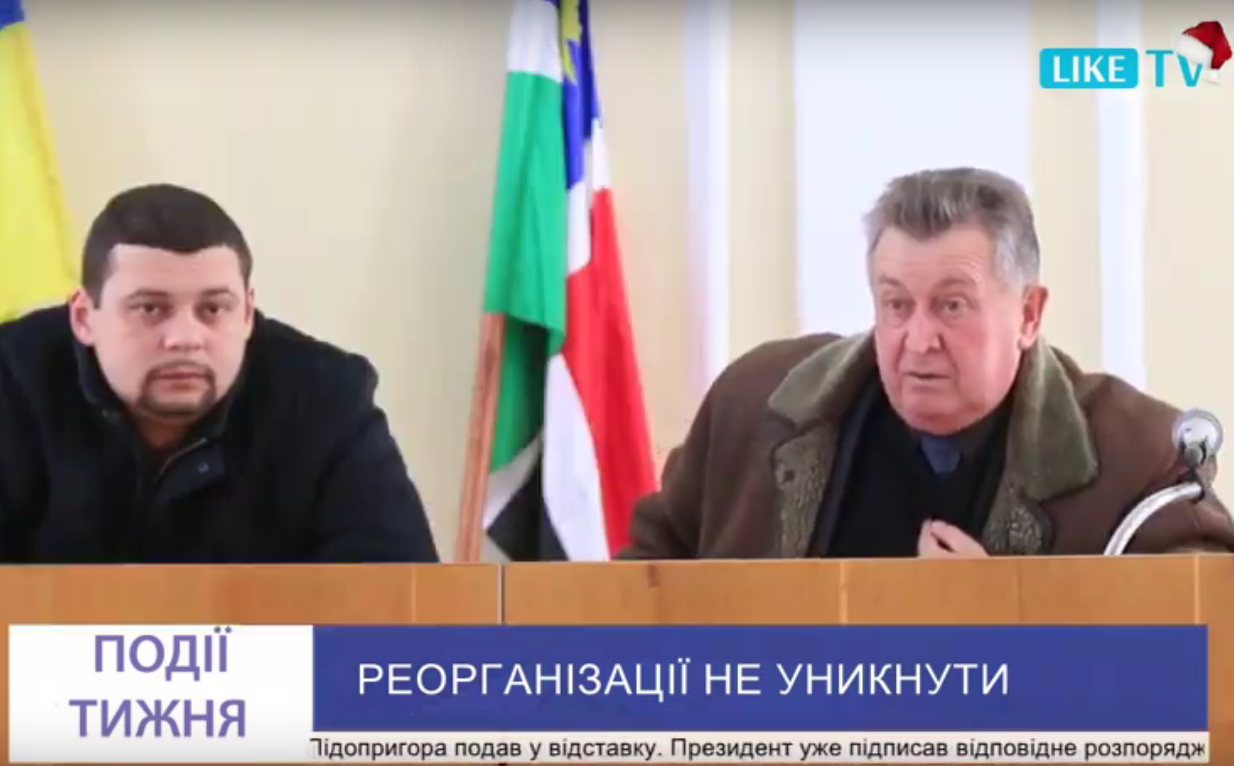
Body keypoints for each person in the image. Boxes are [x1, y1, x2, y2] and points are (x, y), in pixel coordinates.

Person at [622, 167, 1234, 559]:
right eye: (896, 305)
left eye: (952, 306)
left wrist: (1014, 622)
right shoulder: (754, 406)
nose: (918, 341)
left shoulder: (1141, 460)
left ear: (1028, 314)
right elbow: (640, 593)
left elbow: (1204, 656)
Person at [0, 183, 439, 563]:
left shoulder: (326, 399)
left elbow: (397, 602)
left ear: (247, 314)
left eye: (213, 309)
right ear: (83, 317)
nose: (185, 338)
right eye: (150, 308)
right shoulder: (12, 381)